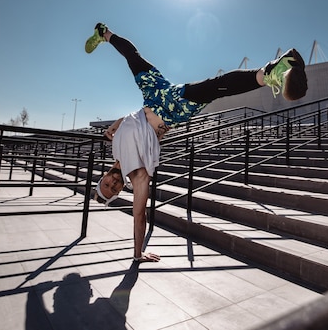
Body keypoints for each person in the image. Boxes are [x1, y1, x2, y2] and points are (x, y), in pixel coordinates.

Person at [85, 23, 308, 263]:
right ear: (119, 190)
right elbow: (139, 215)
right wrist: (138, 254)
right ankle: (274, 70)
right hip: (172, 109)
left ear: (103, 177)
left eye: (106, 184)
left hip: (153, 94)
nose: (112, 184)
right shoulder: (138, 175)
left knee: (133, 57)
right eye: (113, 190)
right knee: (214, 87)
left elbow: (128, 119)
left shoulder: (115, 148)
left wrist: (114, 126)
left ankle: (104, 34)